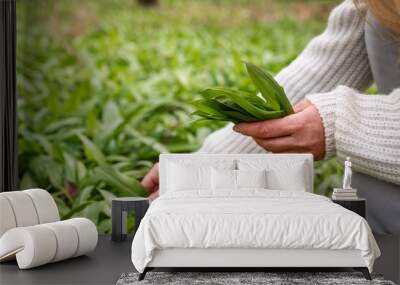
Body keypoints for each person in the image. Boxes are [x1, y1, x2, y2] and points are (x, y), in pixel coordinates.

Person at [141, 0, 400, 282]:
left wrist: (342, 124)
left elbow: (330, 116)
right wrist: (202, 167)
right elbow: (323, 70)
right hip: (378, 226)